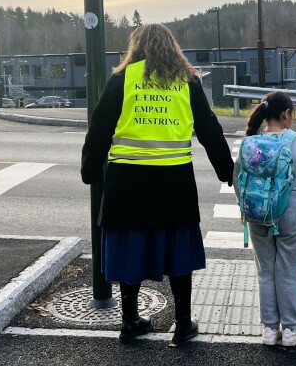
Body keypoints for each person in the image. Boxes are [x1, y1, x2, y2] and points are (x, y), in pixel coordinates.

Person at [80, 23, 234, 346]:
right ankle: (181, 325)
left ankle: (130, 322)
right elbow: (209, 130)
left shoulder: (123, 79)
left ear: (135, 48)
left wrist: (90, 170)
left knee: (130, 253)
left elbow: (99, 128)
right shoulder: (187, 82)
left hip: (127, 185)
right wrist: (227, 171)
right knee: (178, 255)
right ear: (172, 48)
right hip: (174, 184)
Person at [233, 91, 296, 347]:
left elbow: (238, 179)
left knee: (266, 272)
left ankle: (270, 330)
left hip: (258, 216)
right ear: (286, 114)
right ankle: (291, 330)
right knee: (287, 273)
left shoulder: (251, 142)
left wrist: (247, 208)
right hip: (291, 215)